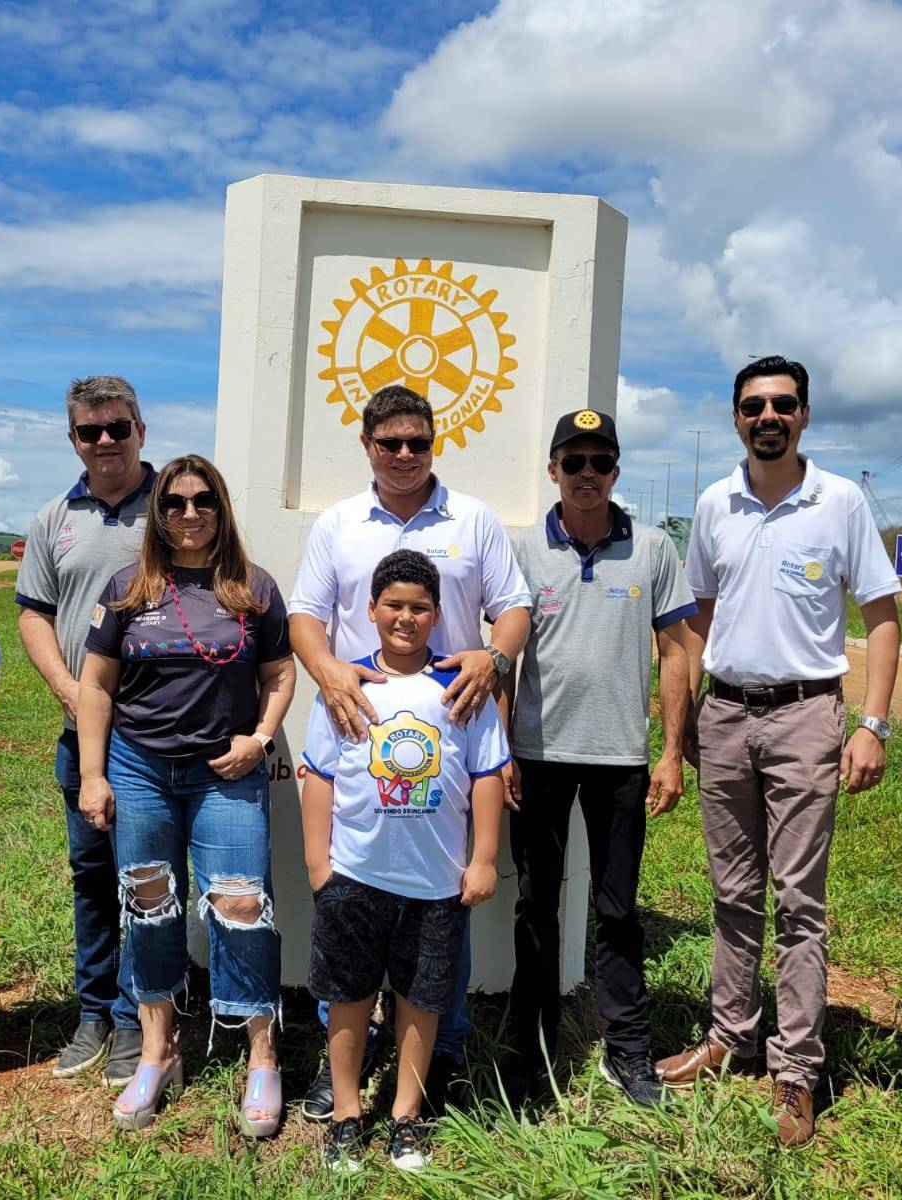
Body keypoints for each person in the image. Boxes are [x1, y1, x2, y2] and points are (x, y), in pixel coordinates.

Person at [655, 356, 901, 1148]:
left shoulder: (841, 503)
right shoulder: (714, 504)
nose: (768, 415)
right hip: (724, 714)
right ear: (736, 417)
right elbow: (698, 620)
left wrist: (873, 724)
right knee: (730, 892)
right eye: (754, 405)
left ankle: (796, 1070)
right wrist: (685, 716)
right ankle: (729, 1037)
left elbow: (883, 616)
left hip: (805, 717)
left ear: (803, 416)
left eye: (782, 404)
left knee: (799, 904)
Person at [287, 384, 530, 1119]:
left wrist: (493, 656)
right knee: (360, 924)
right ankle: (346, 1080)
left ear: (433, 446)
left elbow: (514, 608)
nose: (402, 455)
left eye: (416, 443)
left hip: (450, 732)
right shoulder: (338, 525)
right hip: (359, 733)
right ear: (366, 446)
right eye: (387, 442)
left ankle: (438, 1061)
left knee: (441, 898)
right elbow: (304, 616)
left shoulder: (474, 519)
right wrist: (327, 672)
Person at [75, 455, 297, 1135]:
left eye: (203, 502)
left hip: (224, 772)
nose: (190, 514)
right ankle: (158, 1051)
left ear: (221, 509)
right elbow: (96, 686)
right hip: (139, 770)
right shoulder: (126, 588)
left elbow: (281, 673)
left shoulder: (252, 588)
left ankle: (263, 1054)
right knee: (148, 904)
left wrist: (259, 740)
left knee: (240, 903)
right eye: (175, 503)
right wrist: (93, 773)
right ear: (159, 513)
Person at [501, 409, 697, 1109]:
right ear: (552, 469)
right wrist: (501, 751)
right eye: (573, 461)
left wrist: (671, 752)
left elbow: (677, 653)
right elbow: (503, 660)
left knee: (617, 912)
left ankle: (628, 1051)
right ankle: (535, 1053)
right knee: (535, 909)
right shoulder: (522, 549)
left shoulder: (650, 550)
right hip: (537, 756)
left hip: (620, 761)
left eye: (600, 462)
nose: (587, 475)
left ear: (617, 471)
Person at [300, 550, 509, 1173]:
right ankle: (344, 1114)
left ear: (438, 615)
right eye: (394, 605)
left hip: (436, 880)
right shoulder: (347, 684)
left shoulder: (460, 688)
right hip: (354, 874)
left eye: (420, 608)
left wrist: (486, 857)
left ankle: (405, 1115)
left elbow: (487, 776)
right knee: (348, 996)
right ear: (371, 610)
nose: (406, 618)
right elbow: (318, 776)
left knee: (422, 1000)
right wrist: (318, 863)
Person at [15, 375, 153, 1087]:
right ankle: (95, 1011)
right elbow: (34, 612)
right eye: (89, 431)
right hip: (84, 735)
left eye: (117, 428)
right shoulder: (52, 519)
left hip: (162, 737)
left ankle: (138, 1020)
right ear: (73, 439)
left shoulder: (177, 507)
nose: (105, 442)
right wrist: (72, 691)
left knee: (151, 881)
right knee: (92, 878)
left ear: (141, 431)